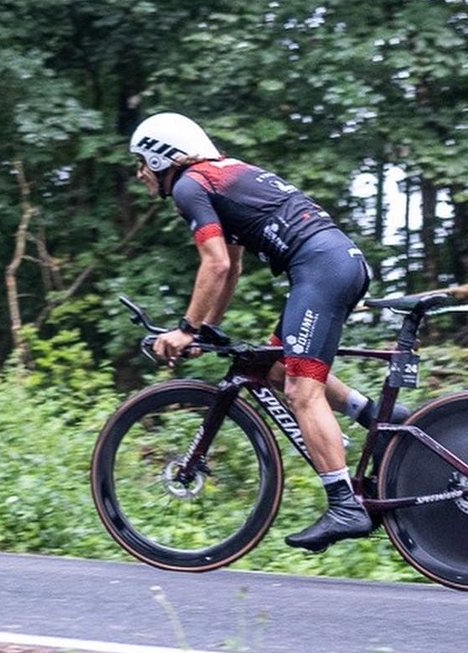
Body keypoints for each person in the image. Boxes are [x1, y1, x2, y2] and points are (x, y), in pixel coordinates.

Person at [129, 111, 407, 552]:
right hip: (334, 263)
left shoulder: (189, 185)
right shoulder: (221, 176)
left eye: (142, 162)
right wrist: (206, 328)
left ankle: (345, 504)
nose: (141, 174)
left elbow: (216, 263)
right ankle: (377, 417)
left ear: (164, 158)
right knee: (278, 370)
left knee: (301, 390)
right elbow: (232, 267)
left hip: (320, 269)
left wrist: (185, 331)